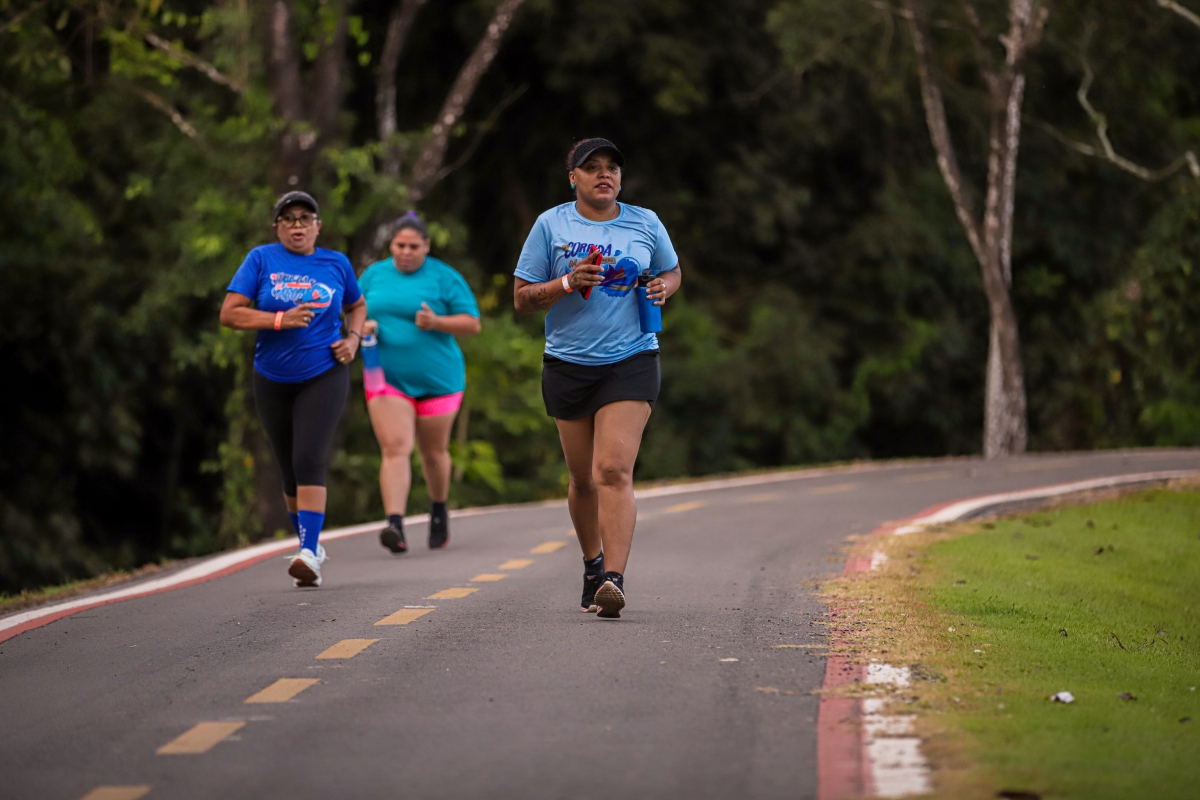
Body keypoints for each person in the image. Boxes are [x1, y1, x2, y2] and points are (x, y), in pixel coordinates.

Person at [513, 138, 682, 619]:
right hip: (567, 362)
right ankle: (592, 564)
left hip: (631, 358)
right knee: (582, 479)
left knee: (611, 470)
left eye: (612, 168)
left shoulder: (645, 222)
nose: (604, 174)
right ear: (574, 178)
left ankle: (614, 579)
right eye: (592, 168)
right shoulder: (551, 225)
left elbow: (672, 271)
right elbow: (522, 298)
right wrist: (568, 282)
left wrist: (663, 287)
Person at [219, 191, 367, 588]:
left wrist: (353, 340)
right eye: (289, 219)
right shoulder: (261, 259)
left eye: (305, 218)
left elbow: (357, 305)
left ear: (318, 226)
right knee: (287, 470)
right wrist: (279, 319)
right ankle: (309, 547)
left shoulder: (336, 263)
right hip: (271, 377)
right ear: (277, 227)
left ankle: (308, 553)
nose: (297, 225)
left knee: (308, 458)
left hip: (324, 372)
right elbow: (229, 314)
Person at [359, 212, 481, 553]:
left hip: (439, 380)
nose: (406, 252)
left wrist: (437, 322)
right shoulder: (374, 274)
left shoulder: (444, 277)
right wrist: (361, 326)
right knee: (395, 447)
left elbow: (472, 324)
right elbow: (352, 312)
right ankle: (394, 524)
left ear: (426, 246)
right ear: (391, 245)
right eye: (400, 245)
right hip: (386, 377)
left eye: (414, 246)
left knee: (433, 452)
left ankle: (438, 508)